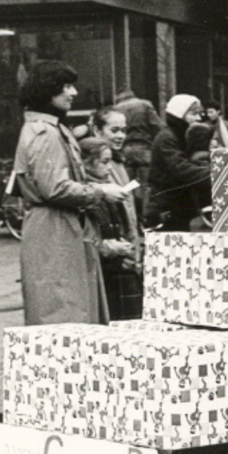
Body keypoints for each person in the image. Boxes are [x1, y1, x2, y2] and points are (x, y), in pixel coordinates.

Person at [15, 61, 125, 326]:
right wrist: (100, 191)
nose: (73, 92)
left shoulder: (47, 129)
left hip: (58, 228)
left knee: (67, 309)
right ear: (48, 90)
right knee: (64, 312)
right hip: (56, 231)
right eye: (65, 86)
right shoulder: (46, 133)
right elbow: (55, 188)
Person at [80, 137, 143, 321]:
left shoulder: (109, 190)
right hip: (103, 272)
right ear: (87, 163)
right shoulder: (86, 195)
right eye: (104, 162)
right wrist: (108, 247)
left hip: (118, 269)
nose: (109, 168)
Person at [145, 94, 212, 231]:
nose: (198, 118)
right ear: (179, 115)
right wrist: (214, 174)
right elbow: (182, 168)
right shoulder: (167, 139)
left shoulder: (180, 136)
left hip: (177, 205)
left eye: (199, 114)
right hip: (166, 207)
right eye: (193, 114)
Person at [113, 89, 162, 196]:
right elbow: (157, 127)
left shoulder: (116, 109)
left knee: (127, 186)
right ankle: (146, 206)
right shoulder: (145, 105)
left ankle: (131, 206)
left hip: (125, 149)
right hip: (144, 148)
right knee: (147, 185)